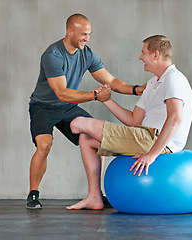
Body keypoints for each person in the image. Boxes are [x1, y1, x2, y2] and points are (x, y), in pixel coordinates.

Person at [27, 13, 146, 209]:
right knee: (44, 145)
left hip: (68, 108)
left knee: (94, 140)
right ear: (69, 31)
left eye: (89, 34)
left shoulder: (87, 54)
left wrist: (135, 89)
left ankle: (95, 195)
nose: (87, 39)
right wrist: (94, 96)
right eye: (83, 34)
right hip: (44, 106)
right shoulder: (53, 56)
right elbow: (62, 93)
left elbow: (112, 81)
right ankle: (33, 194)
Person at [66, 35, 192, 210]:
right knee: (86, 139)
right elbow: (133, 120)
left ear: (156, 55)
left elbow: (175, 118)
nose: (140, 57)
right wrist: (106, 100)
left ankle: (95, 197)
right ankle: (94, 197)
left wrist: (152, 155)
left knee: (77, 123)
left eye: (144, 53)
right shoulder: (152, 83)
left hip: (158, 140)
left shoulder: (174, 78)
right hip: (143, 134)